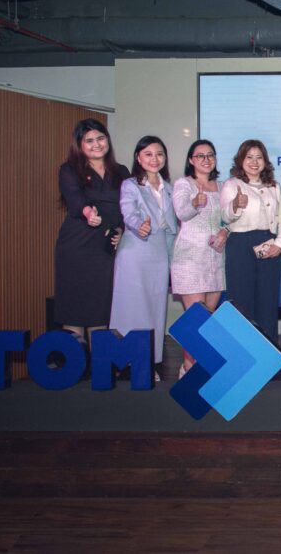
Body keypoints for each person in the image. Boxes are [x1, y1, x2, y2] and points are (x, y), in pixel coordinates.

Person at [54, 118, 129, 351]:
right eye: (89, 140)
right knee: (74, 308)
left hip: (104, 248)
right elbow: (75, 199)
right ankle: (75, 364)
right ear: (79, 144)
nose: (96, 144)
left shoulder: (121, 171)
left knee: (100, 307)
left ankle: (99, 365)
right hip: (76, 245)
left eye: (100, 138)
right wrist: (88, 212)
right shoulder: (69, 169)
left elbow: (128, 207)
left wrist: (120, 229)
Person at [110, 136, 177, 382]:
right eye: (148, 154)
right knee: (131, 307)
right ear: (138, 158)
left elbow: (172, 228)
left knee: (155, 309)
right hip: (135, 251)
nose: (154, 159)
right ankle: (125, 362)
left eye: (159, 154)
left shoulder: (170, 188)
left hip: (159, 254)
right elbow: (128, 212)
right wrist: (140, 225)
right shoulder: (130, 185)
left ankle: (149, 362)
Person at [221, 140, 281, 345]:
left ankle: (268, 353)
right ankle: (241, 352)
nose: (254, 162)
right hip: (239, 245)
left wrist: (279, 244)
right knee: (241, 300)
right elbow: (225, 217)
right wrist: (236, 205)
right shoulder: (231, 184)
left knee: (268, 300)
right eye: (249, 157)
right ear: (241, 160)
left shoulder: (274, 186)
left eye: (259, 157)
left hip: (268, 245)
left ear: (265, 161)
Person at [171, 139, 228, 378]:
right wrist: (195, 203)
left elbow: (229, 218)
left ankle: (202, 367)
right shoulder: (184, 184)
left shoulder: (222, 186)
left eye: (210, 155)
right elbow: (181, 212)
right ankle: (188, 368)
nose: (206, 159)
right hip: (190, 258)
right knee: (195, 319)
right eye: (200, 156)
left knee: (208, 321)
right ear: (191, 160)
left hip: (215, 259)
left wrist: (226, 231)